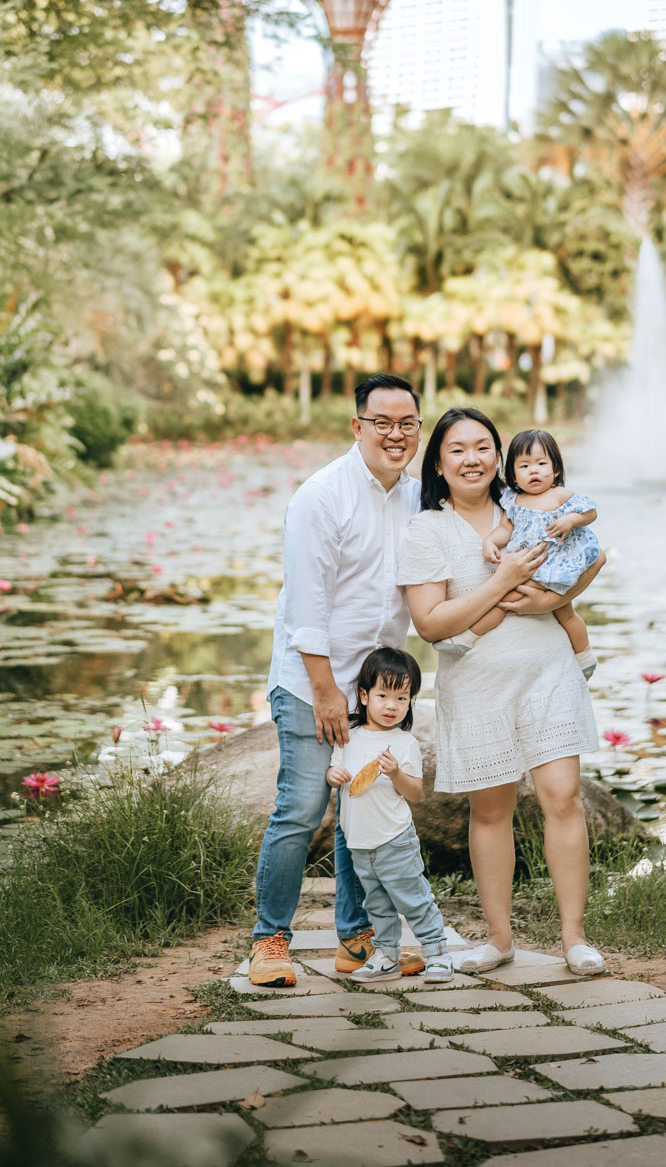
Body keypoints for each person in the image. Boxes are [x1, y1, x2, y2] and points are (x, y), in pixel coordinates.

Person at [398, 407, 608, 977]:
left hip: (546, 669)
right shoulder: (427, 530)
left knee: (561, 795)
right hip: (478, 683)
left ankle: (573, 938)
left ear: (501, 456)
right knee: (490, 810)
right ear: (438, 464)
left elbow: (592, 557)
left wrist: (547, 602)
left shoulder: (527, 505)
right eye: (458, 449)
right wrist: (505, 581)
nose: (473, 459)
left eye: (484, 447)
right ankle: (498, 939)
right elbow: (431, 624)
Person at [248, 374, 425, 988]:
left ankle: (356, 938)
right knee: (301, 810)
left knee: (363, 808)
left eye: (407, 424)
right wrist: (327, 691)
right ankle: (269, 940)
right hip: (310, 682)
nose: (395, 434)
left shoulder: (417, 498)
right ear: (358, 426)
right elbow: (305, 606)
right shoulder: (321, 495)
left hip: (375, 691)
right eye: (383, 422)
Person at [327, 647, 453, 984]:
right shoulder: (349, 737)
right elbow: (335, 772)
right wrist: (333, 776)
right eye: (383, 695)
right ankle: (386, 956)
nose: (391, 705)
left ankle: (437, 951)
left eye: (402, 697)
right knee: (376, 904)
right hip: (359, 841)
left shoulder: (404, 743)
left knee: (413, 898)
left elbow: (414, 792)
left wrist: (396, 772)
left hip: (394, 838)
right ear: (365, 696)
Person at [468, 429, 605, 673]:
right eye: (524, 466)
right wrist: (489, 542)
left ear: (556, 470)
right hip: (528, 568)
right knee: (517, 603)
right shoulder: (513, 500)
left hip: (553, 566)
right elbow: (504, 528)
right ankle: (470, 635)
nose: (534, 471)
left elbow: (590, 512)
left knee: (566, 615)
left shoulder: (558, 495)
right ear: (513, 474)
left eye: (541, 464)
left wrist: (570, 520)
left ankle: (585, 656)